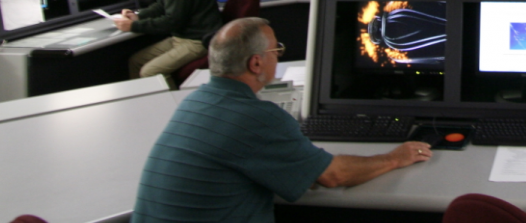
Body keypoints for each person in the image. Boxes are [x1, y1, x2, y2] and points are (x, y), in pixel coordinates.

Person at [132, 18, 433, 222]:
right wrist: (395, 158)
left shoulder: (193, 102)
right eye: (276, 50)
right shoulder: (257, 118)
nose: (278, 56)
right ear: (256, 62)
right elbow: (333, 176)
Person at [115, 0, 222, 87]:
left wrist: (133, 26)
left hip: (196, 42)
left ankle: (172, 100)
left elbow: (172, 22)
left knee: (149, 72)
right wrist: (138, 16)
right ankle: (142, 97)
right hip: (181, 37)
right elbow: (160, 6)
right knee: (135, 62)